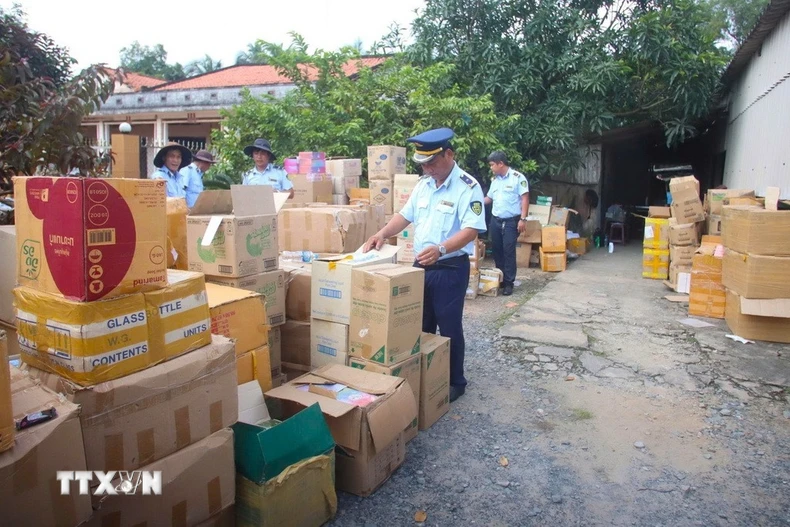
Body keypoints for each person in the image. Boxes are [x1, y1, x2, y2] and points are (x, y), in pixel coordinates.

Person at [363, 128, 486, 402]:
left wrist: (442, 248)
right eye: (423, 164)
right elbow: (404, 216)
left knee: (449, 325)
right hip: (421, 265)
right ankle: (424, 374)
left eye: (432, 162)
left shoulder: (468, 186)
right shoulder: (423, 185)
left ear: (449, 154)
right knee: (420, 322)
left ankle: (456, 381)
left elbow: (472, 229)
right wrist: (382, 233)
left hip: (450, 267)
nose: (427, 169)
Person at [484, 151, 530, 296]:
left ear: (500, 164)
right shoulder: (495, 180)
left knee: (508, 250)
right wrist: (474, 202)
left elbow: (525, 199)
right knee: (497, 250)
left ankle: (509, 283)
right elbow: (489, 199)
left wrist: (523, 219)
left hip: (511, 221)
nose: (491, 168)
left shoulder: (518, 178)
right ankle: (501, 279)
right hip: (496, 220)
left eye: (492, 165)